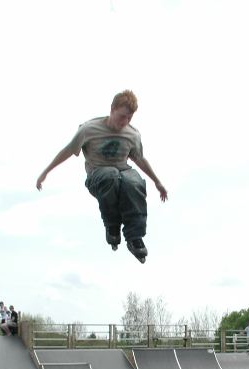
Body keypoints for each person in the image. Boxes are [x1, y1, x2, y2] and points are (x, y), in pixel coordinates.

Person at [36, 90, 168, 264]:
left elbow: (140, 159)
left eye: (129, 118)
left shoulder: (133, 134)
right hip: (98, 176)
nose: (124, 122)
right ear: (112, 109)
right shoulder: (89, 129)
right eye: (122, 116)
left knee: (134, 181)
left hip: (123, 173)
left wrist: (157, 181)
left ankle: (135, 237)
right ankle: (112, 225)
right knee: (111, 174)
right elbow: (68, 150)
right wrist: (45, 172)